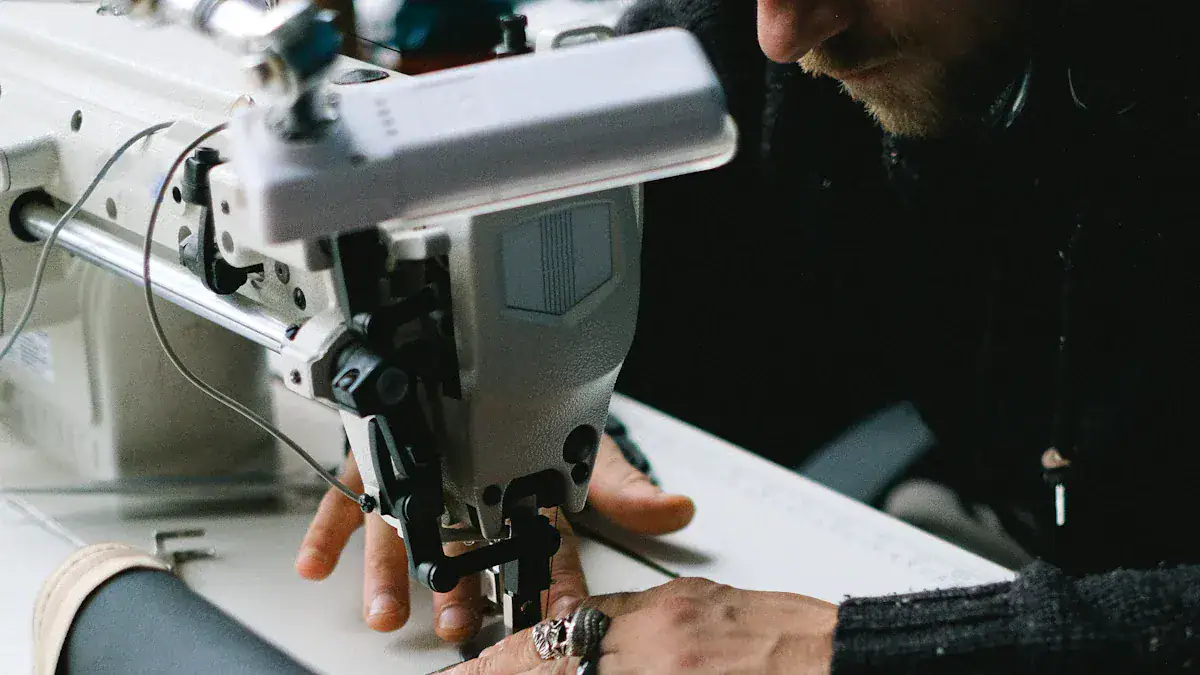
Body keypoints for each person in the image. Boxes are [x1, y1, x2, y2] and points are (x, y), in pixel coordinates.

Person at [306, 0, 1200, 670]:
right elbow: (624, 239)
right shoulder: (755, 37)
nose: (787, 32)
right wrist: (504, 403)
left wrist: (838, 649)